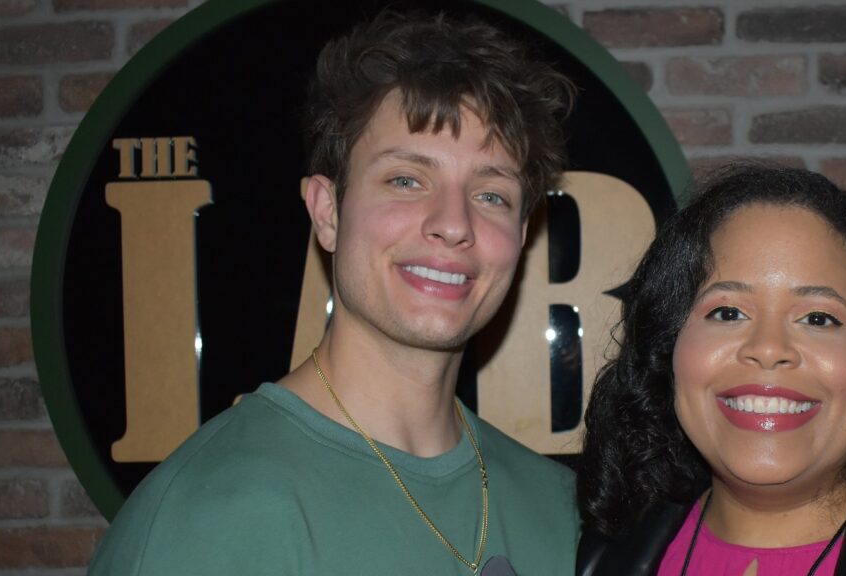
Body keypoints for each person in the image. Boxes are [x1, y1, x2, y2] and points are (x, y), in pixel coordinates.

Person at [89, 9, 579, 576]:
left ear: (520, 237)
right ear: (327, 211)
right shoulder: (206, 520)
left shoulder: (558, 508)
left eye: (491, 194)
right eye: (406, 180)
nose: (453, 223)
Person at [576, 164, 846, 575]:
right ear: (668, 346)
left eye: (818, 319)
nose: (769, 349)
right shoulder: (587, 556)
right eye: (727, 312)